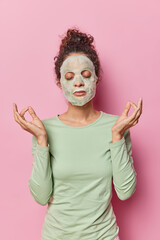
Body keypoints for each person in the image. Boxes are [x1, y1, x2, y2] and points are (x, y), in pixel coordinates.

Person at [13, 27, 143, 240]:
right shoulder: (44, 129)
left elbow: (125, 192)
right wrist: (42, 139)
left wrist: (118, 136)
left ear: (96, 78)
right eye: (70, 76)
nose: (78, 82)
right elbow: (41, 195)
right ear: (59, 82)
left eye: (85, 75)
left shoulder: (117, 125)